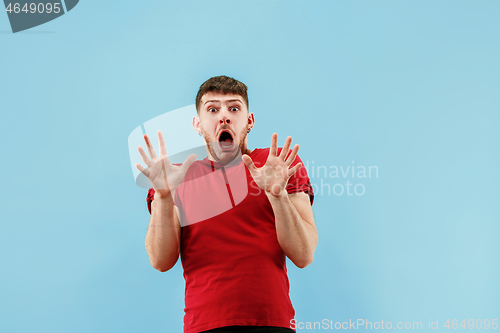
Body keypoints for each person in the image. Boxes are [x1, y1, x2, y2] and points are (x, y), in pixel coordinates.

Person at [136, 76, 318, 333]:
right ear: (197, 125)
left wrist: (277, 195)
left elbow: (304, 254)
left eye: (234, 108)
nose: (224, 117)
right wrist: (164, 196)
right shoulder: (176, 177)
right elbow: (160, 260)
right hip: (204, 326)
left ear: (250, 121)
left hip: (272, 323)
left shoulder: (277, 164)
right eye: (213, 109)